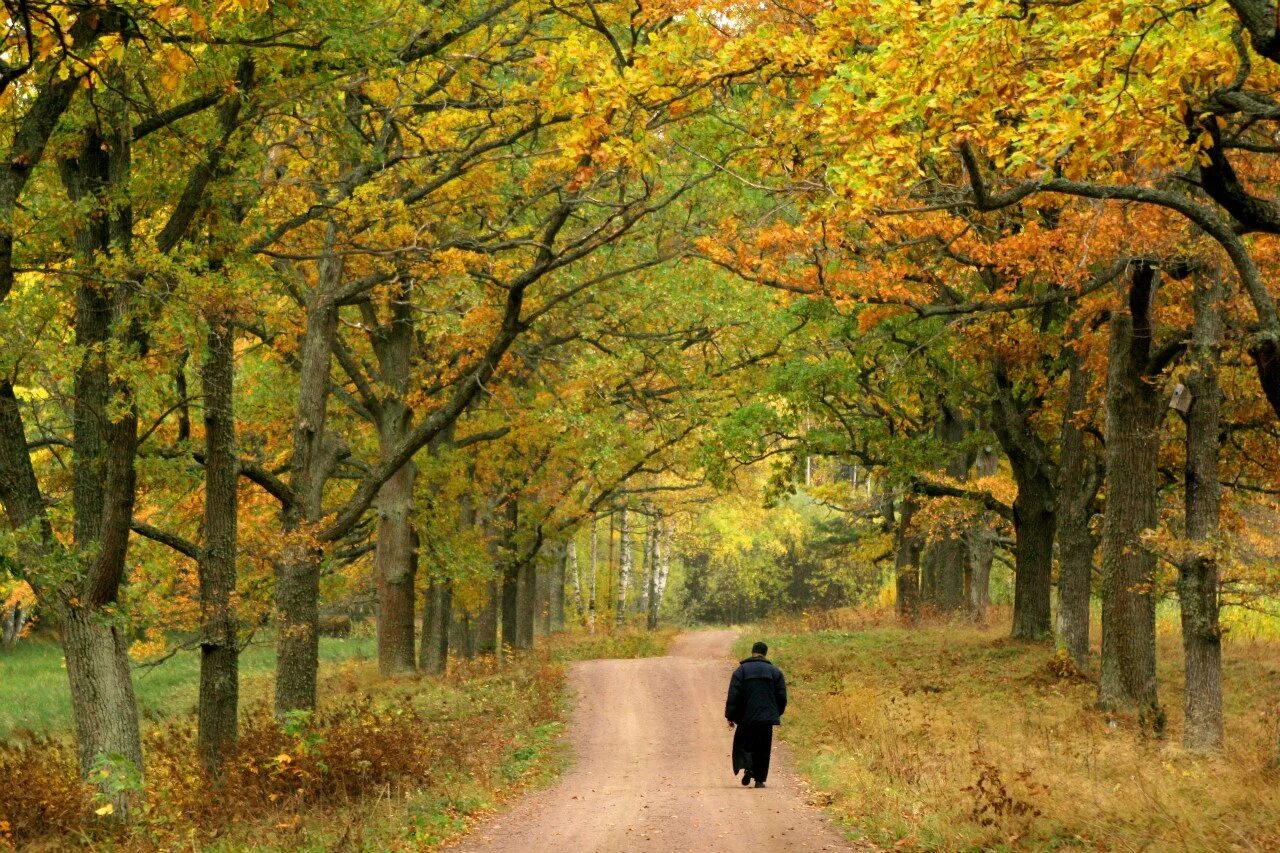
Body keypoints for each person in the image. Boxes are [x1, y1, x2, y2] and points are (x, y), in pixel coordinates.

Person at [725, 640, 787, 788]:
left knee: (745, 744)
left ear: (752, 652)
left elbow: (734, 695)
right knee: (763, 748)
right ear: (765, 654)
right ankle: (759, 780)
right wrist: (775, 713)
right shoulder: (775, 672)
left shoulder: (741, 671)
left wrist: (731, 716)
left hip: (746, 718)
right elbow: (782, 697)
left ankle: (748, 767)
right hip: (765, 719)